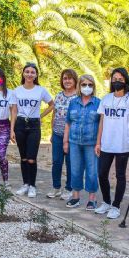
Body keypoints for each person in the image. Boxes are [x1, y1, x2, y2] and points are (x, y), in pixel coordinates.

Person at [94, 68, 129, 219]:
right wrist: (98, 142)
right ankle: (106, 202)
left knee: (120, 175)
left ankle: (116, 206)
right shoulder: (106, 98)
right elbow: (102, 121)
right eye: (114, 78)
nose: (117, 81)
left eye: (120, 79)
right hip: (106, 143)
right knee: (102, 174)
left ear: (125, 81)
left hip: (123, 144)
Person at [10, 62, 54, 198]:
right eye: (27, 71)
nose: (29, 74)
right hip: (20, 124)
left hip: (34, 125)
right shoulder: (16, 91)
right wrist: (12, 129)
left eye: (32, 72)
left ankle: (33, 185)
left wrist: (40, 116)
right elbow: (14, 111)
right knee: (23, 157)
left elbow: (52, 104)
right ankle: (25, 184)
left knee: (31, 158)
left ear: (36, 75)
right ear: (23, 73)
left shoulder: (40, 90)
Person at [64, 74, 101, 210]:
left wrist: (98, 143)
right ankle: (75, 197)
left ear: (93, 87)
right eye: (84, 84)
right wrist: (65, 142)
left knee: (92, 171)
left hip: (91, 143)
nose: (87, 87)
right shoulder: (73, 102)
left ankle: (92, 199)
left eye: (90, 85)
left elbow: (101, 125)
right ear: (79, 86)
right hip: (74, 142)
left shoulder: (98, 103)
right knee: (75, 170)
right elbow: (68, 123)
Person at [47, 69, 78, 200]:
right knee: (56, 162)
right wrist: (51, 131)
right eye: (65, 78)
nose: (67, 81)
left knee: (70, 163)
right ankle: (56, 188)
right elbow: (54, 113)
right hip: (57, 134)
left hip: (72, 136)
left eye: (70, 78)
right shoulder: (59, 95)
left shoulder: (79, 97)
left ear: (75, 80)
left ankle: (69, 189)